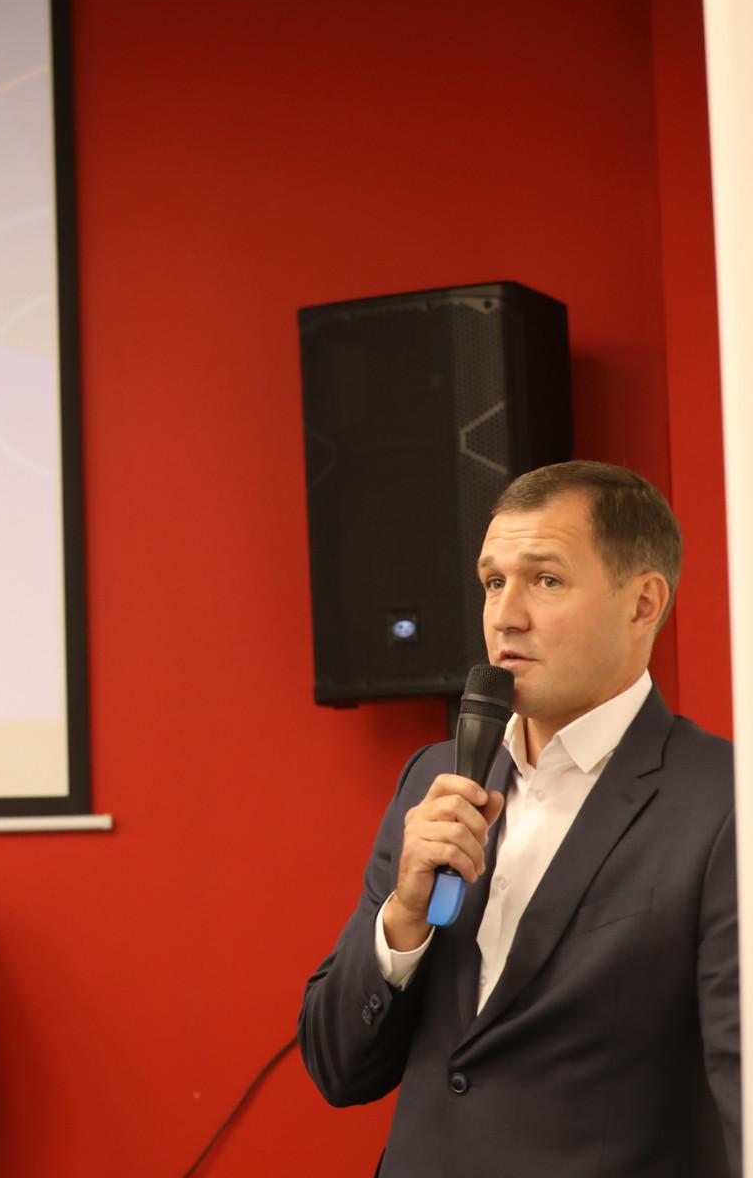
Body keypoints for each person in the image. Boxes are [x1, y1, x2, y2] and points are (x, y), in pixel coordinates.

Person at [298, 460, 739, 1177]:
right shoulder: (434, 779)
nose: (505, 615)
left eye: (546, 580)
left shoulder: (725, 802)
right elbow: (336, 1065)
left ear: (643, 604)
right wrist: (403, 920)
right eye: (493, 582)